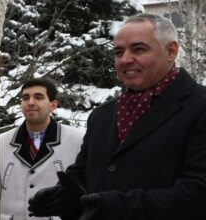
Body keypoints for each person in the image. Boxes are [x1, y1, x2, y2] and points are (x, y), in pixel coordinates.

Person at [29, 13, 206, 219]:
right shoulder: (103, 115)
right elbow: (83, 172)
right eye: (118, 52)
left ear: (171, 51)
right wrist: (66, 196)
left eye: (139, 49)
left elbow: (199, 193)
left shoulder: (199, 108)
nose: (125, 59)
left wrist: (113, 207)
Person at [0, 78, 83, 220]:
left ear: (53, 105)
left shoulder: (78, 140)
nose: (30, 102)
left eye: (38, 97)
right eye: (25, 98)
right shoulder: (0, 142)